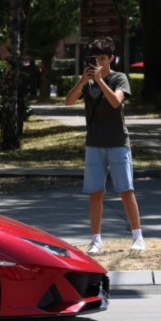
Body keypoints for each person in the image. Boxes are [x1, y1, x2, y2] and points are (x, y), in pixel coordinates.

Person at [64, 36, 145, 254]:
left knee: (126, 190)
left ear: (111, 58)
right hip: (94, 143)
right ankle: (96, 239)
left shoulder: (119, 78)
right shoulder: (88, 81)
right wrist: (83, 81)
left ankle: (138, 236)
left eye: (102, 58)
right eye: (95, 58)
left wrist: (100, 81)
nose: (98, 63)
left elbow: (116, 102)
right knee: (95, 192)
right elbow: (69, 101)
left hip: (118, 141)